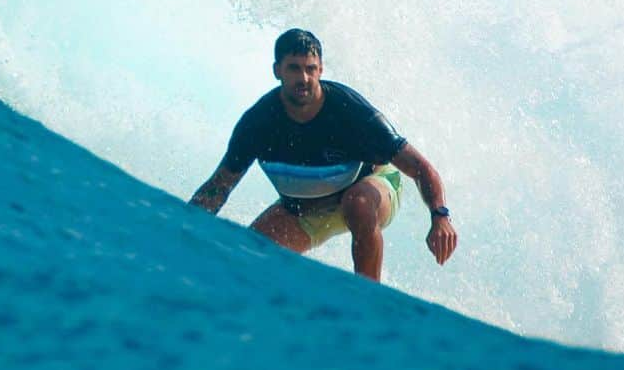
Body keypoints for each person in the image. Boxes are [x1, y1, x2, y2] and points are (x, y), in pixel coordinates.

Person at [189, 28, 457, 281]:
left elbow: (421, 168)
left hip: (371, 190)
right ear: (277, 70)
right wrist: (181, 230)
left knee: (358, 202)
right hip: (304, 210)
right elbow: (219, 187)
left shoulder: (350, 111)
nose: (303, 78)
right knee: (244, 260)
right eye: (294, 68)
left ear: (321, 71)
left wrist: (440, 216)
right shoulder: (258, 123)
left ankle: (367, 300)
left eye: (310, 69)